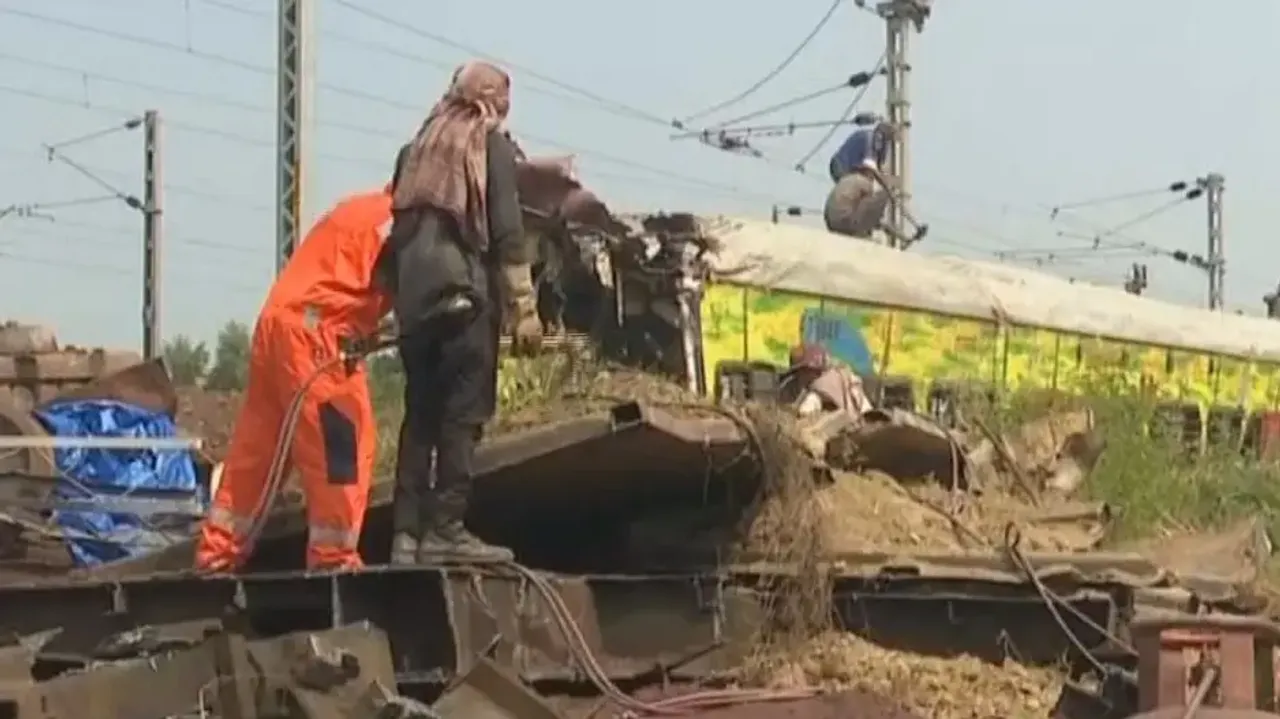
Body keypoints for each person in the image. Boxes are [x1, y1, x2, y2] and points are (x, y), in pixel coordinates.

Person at [379, 60, 542, 565]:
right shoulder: (486, 144)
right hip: (462, 301)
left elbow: (394, 233)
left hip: (414, 308)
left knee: (420, 417)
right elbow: (507, 230)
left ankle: (405, 535)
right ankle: (447, 529)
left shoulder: (416, 149)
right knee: (463, 416)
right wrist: (524, 309)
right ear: (489, 100)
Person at [194, 185, 395, 573]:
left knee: (259, 452)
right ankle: (333, 563)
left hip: (278, 325)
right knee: (341, 449)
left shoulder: (362, 209)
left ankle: (216, 557)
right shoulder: (404, 223)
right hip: (318, 335)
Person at [824, 122, 897, 241]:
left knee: (857, 196)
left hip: (850, 171)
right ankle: (860, 231)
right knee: (862, 195)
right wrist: (887, 189)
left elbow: (876, 169)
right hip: (841, 165)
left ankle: (861, 226)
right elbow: (871, 168)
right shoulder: (871, 139)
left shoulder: (879, 145)